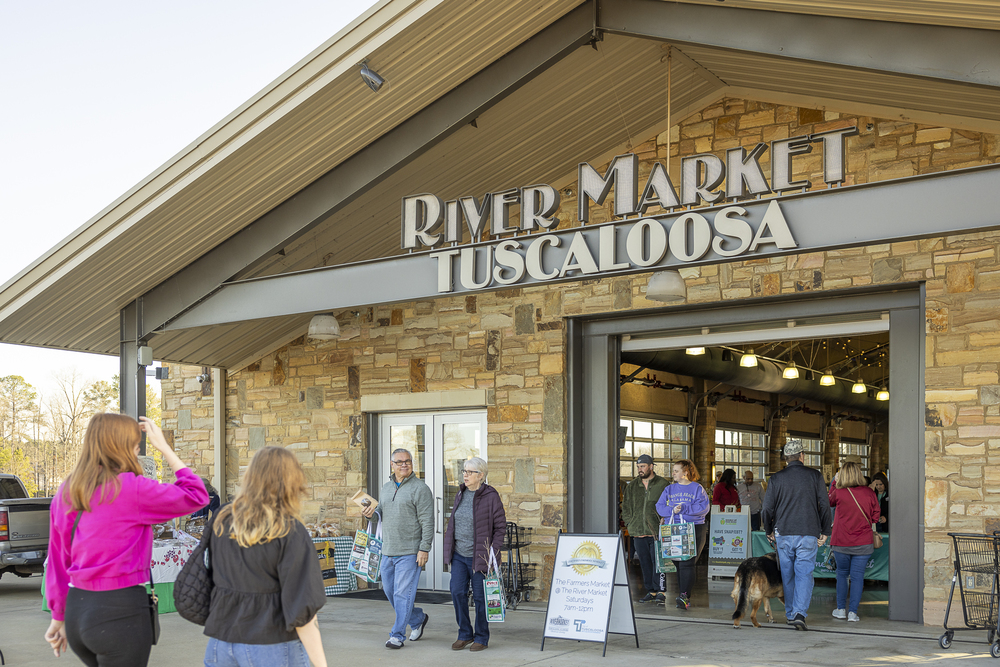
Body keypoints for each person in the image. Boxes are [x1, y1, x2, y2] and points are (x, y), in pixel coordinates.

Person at [44, 414, 209, 666]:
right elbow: (197, 495)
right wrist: (164, 447)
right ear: (120, 448)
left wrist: (58, 617)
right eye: (135, 446)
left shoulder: (67, 491)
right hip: (119, 612)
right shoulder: (132, 489)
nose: (137, 450)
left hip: (77, 612)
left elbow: (58, 559)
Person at [362, 448, 434, 649]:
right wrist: (370, 514)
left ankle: (397, 635)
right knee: (391, 592)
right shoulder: (386, 488)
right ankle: (417, 618)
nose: (404, 464)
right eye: (400, 461)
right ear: (392, 465)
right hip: (387, 551)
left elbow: (428, 521)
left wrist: (424, 548)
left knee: (403, 594)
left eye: (408, 461)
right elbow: (380, 514)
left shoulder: (420, 489)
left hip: (410, 552)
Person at [760, 441, 832, 631]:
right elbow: (825, 505)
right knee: (804, 574)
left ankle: (791, 614)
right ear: (802, 455)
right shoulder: (815, 476)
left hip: (783, 533)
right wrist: (826, 531)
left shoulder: (776, 479)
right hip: (808, 532)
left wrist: (768, 530)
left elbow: (767, 508)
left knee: (787, 574)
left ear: (785, 458)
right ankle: (800, 613)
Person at [442, 457, 506, 652]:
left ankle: (481, 637)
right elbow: (453, 523)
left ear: (481, 475)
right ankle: (464, 634)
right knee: (457, 592)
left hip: (481, 556)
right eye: (464, 471)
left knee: (480, 597)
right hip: (459, 554)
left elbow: (500, 527)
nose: (465, 475)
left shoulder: (490, 496)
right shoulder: (460, 494)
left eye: (469, 472)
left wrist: (491, 553)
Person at [828, 461, 880, 623]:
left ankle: (841, 609)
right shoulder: (869, 493)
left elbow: (829, 501)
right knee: (858, 577)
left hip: (841, 541)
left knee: (842, 575)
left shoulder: (839, 492)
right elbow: (876, 516)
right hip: (863, 542)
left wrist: (834, 482)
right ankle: (853, 613)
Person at [655, 459, 710, 611]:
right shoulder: (669, 489)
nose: (673, 473)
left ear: (686, 472)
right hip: (673, 528)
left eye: (676, 471)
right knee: (678, 562)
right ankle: (682, 595)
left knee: (687, 561)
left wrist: (684, 508)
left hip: (693, 528)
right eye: (673, 471)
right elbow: (659, 506)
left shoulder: (697, 488)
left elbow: (704, 507)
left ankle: (684, 596)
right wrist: (671, 511)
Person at [621, 454, 670, 604]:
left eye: (642, 466)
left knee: (659, 563)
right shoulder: (633, 486)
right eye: (638, 467)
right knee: (645, 563)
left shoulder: (663, 484)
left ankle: (660, 591)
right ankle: (651, 592)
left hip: (656, 531)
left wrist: (665, 519)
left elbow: (669, 504)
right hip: (638, 531)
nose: (640, 469)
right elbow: (626, 506)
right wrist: (630, 523)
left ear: (651, 466)